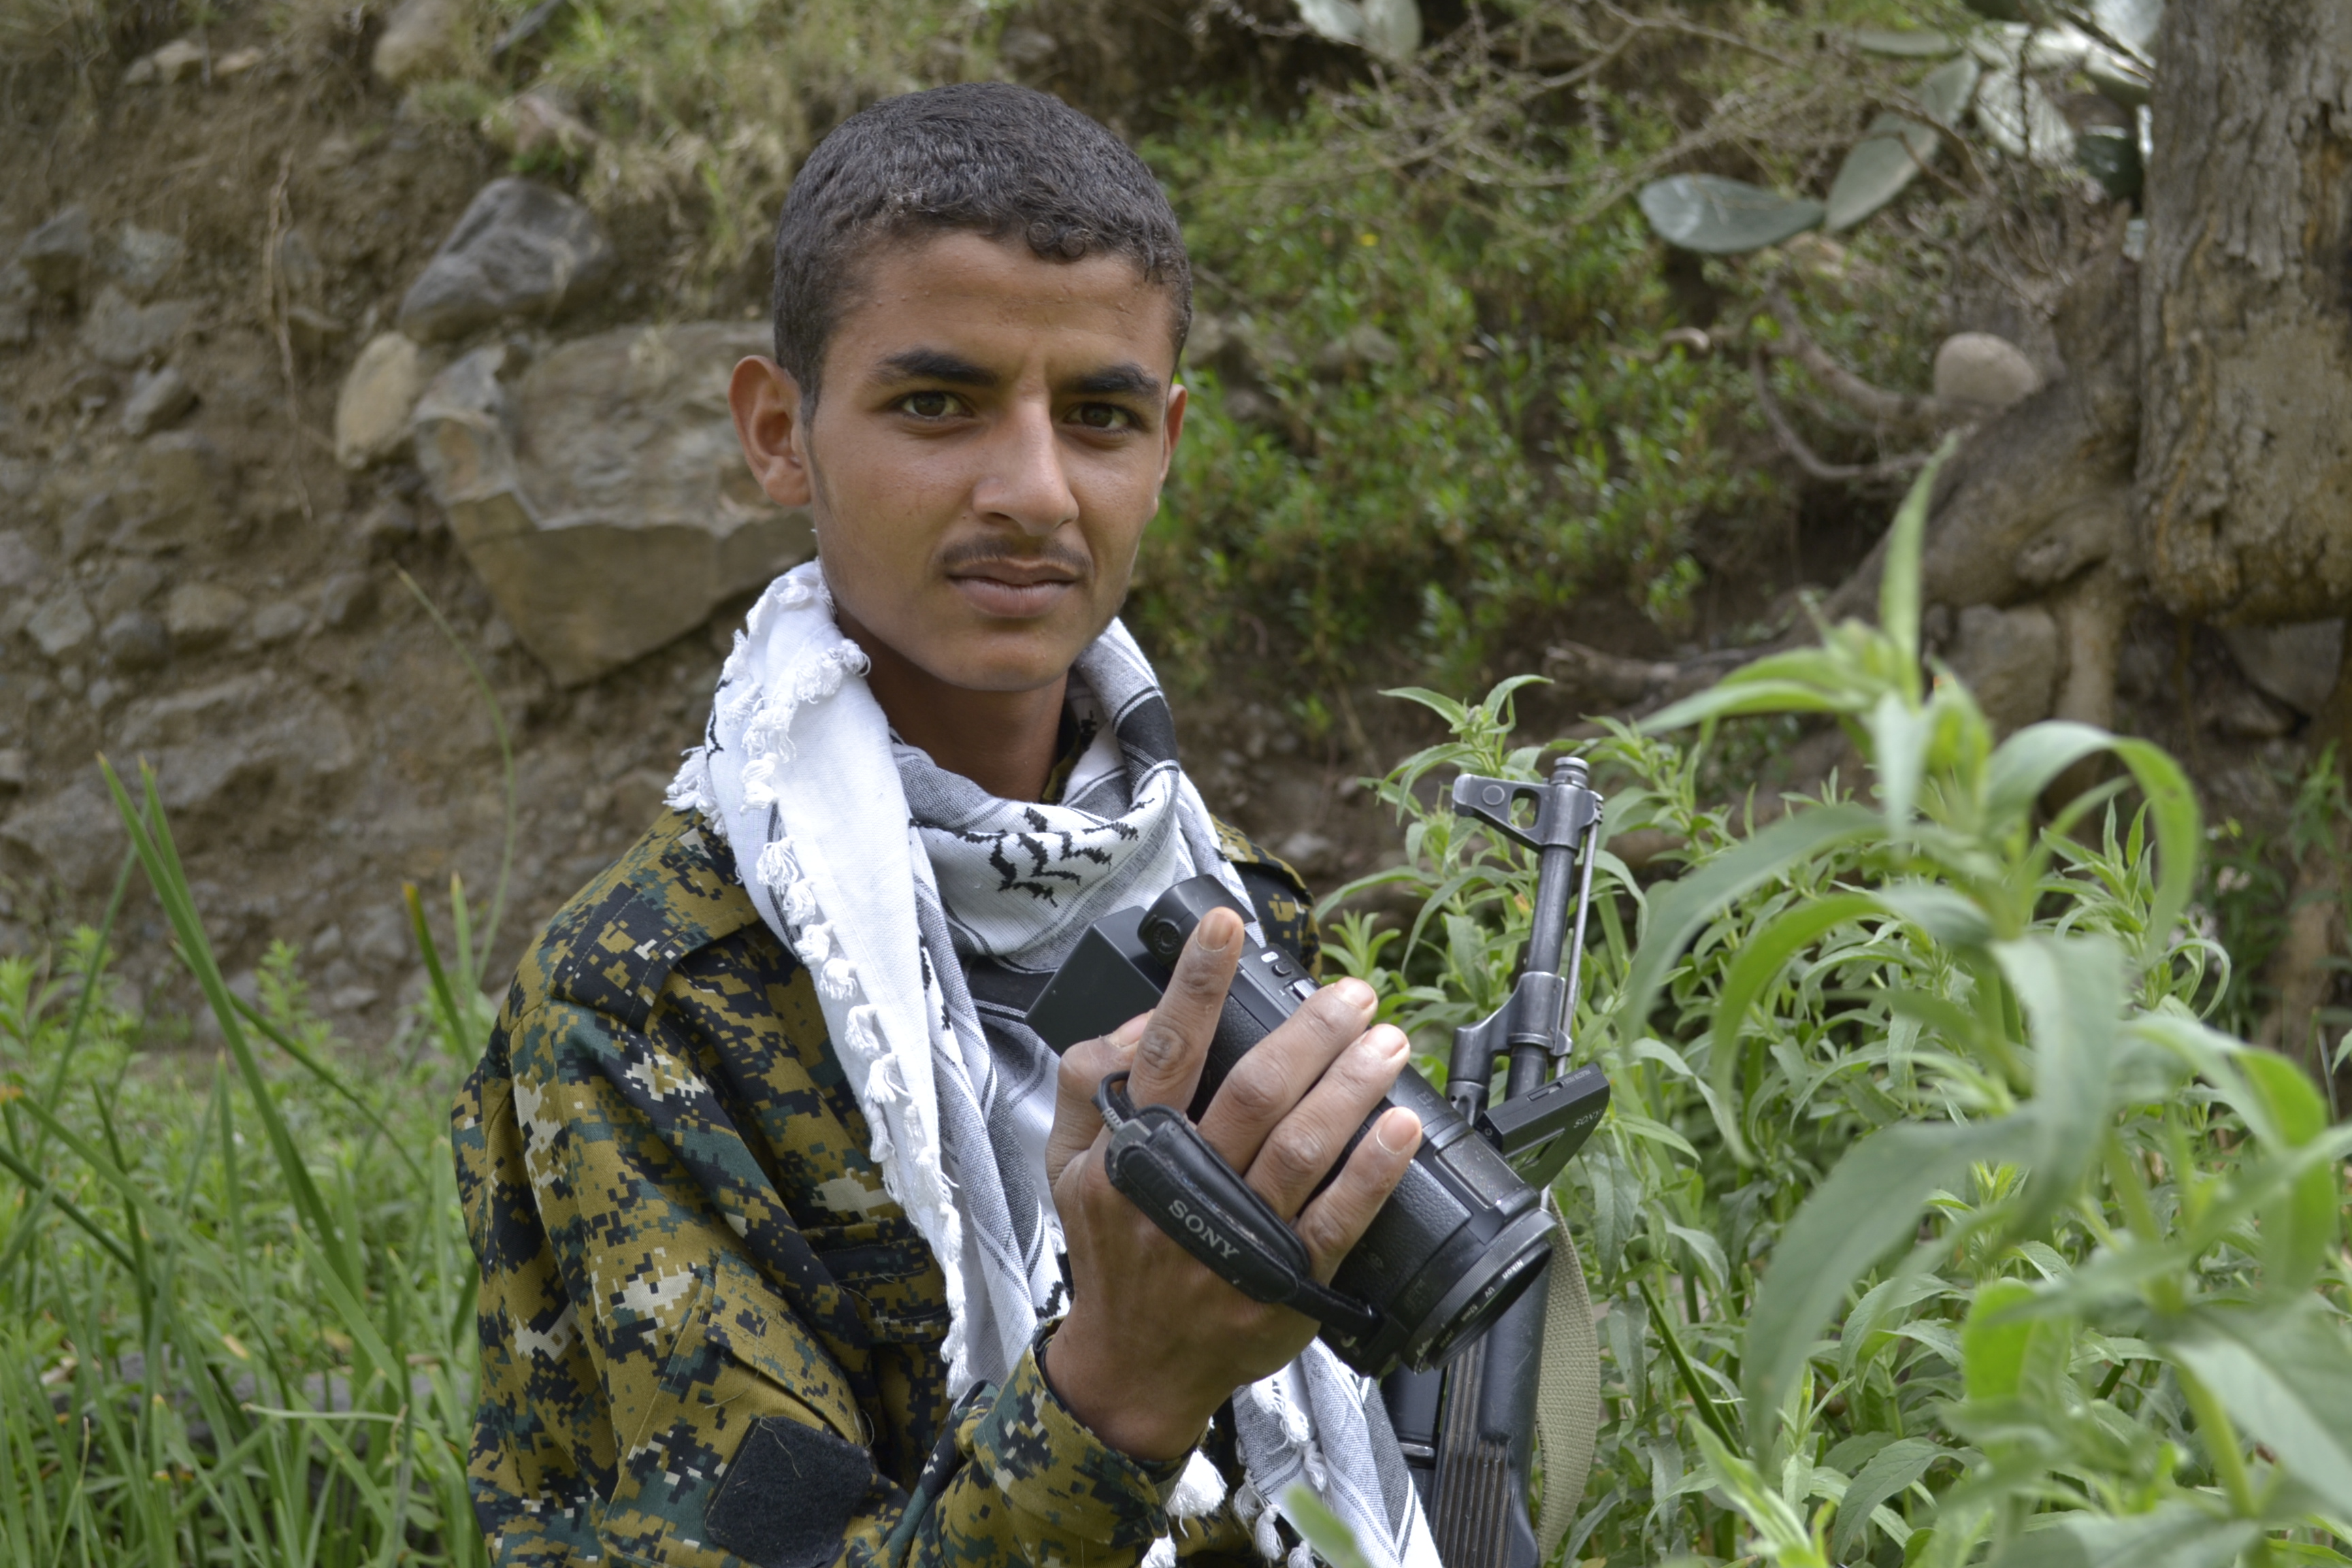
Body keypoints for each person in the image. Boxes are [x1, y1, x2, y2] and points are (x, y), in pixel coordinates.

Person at [454, 82, 1441, 1568]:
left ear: (1165, 446)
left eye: (1100, 416)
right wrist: (1119, 1390)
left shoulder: (1221, 915)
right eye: (937, 404)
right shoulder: (648, 1012)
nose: (1035, 491)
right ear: (781, 433)